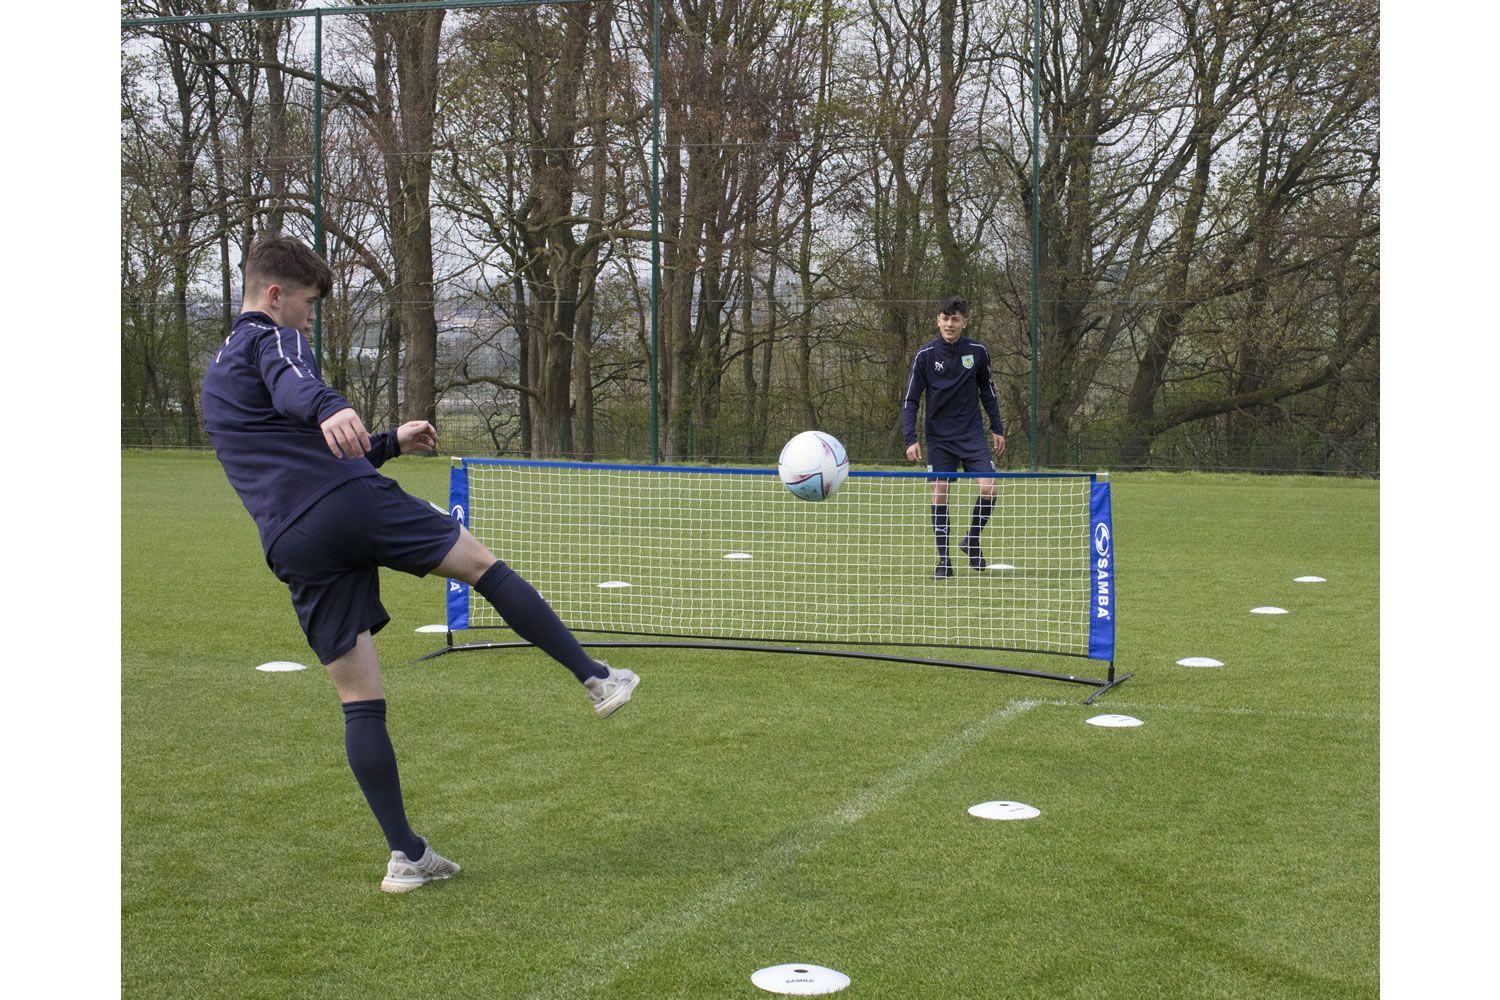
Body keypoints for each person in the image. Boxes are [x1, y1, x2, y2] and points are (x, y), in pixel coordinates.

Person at [201, 236, 639, 893]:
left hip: (291, 541)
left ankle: (407, 856)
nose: (310, 317)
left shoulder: (214, 381)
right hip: (345, 503)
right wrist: (330, 404)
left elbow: (296, 455)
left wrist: (386, 442)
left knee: (359, 699)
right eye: (310, 304)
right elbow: (298, 387)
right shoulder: (273, 336)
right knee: (482, 565)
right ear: (274, 294)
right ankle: (596, 678)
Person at [901, 295, 1006, 579]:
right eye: (945, 319)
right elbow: (911, 399)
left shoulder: (978, 351)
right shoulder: (925, 356)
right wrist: (910, 437)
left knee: (989, 488)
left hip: (972, 436)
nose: (950, 324)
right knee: (939, 493)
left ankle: (971, 540)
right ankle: (944, 562)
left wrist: (998, 427)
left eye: (955, 319)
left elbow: (988, 391)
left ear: (964, 322)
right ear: (938, 320)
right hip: (939, 439)